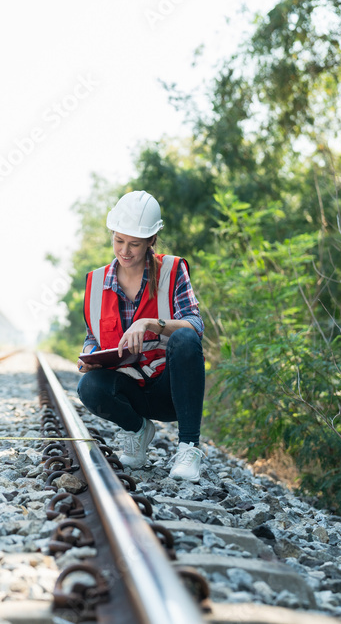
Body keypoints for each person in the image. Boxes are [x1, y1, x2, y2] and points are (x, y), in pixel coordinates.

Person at [76, 190, 206, 481]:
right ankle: (138, 429)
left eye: (134, 244)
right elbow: (93, 336)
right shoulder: (96, 282)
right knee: (88, 386)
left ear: (151, 241)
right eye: (118, 240)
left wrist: (151, 323)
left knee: (185, 339)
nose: (125, 251)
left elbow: (195, 326)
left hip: (170, 391)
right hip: (129, 390)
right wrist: (89, 357)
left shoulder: (173, 271)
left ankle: (188, 448)